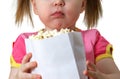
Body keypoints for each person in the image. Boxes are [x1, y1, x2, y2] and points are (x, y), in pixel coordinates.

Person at [9, 0, 120, 79]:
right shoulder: (25, 43)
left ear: (82, 4)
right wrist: (19, 77)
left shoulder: (93, 39)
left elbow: (115, 76)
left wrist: (102, 77)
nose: (58, 1)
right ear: (35, 6)